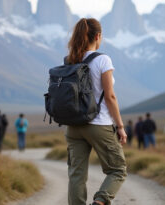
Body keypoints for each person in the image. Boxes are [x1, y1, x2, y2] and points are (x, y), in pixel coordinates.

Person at [65, 18, 127, 205]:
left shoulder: (70, 60)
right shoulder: (102, 60)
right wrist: (121, 126)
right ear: (98, 36)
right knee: (118, 170)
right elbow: (110, 96)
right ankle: (100, 201)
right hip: (99, 124)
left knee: (76, 175)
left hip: (74, 127)